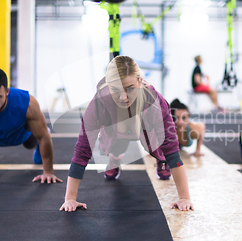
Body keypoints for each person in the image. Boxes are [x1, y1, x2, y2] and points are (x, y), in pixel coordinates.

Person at [60, 55, 193, 212]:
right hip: (116, 132)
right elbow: (83, 150)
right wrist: (70, 198)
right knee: (115, 141)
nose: (123, 97)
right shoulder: (98, 103)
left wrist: (184, 198)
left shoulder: (155, 102)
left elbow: (171, 148)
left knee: (162, 149)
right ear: (109, 86)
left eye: (130, 88)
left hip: (147, 130)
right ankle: (115, 158)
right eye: (115, 89)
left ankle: (159, 159)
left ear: (140, 81)